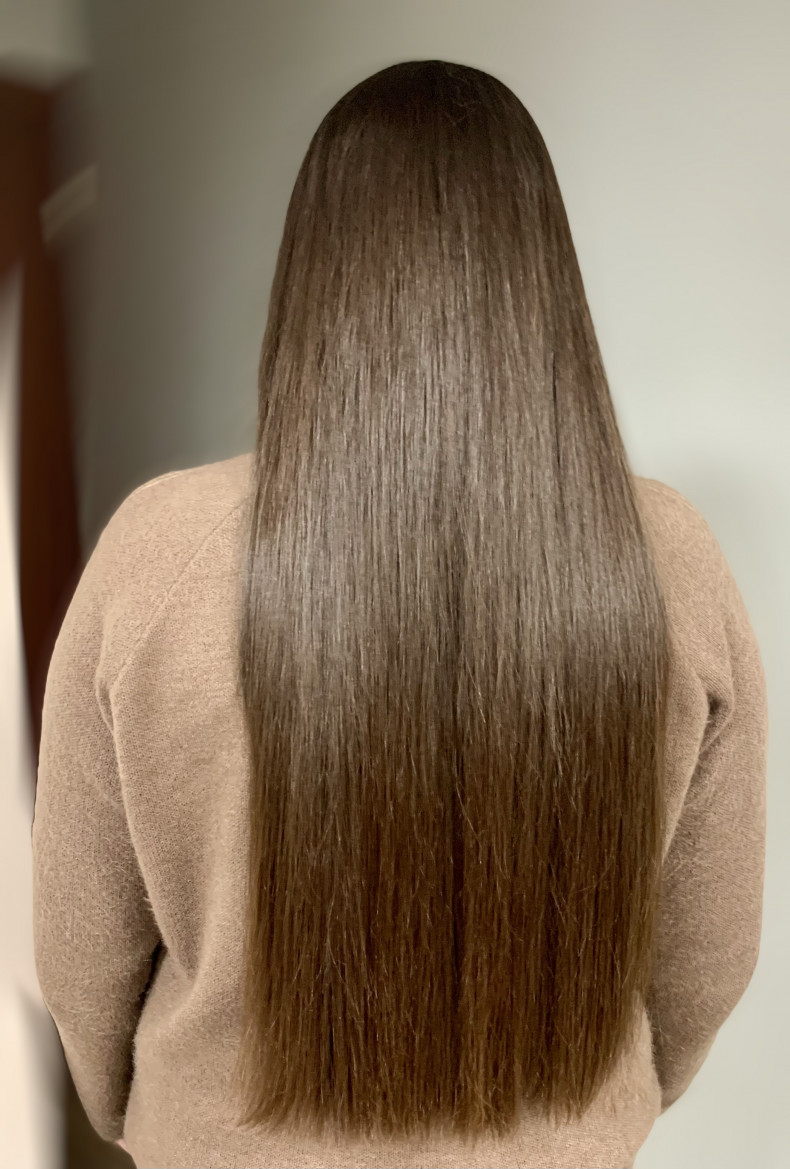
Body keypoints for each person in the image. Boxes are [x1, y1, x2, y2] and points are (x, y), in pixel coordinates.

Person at [31, 59, 768, 1169]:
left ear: (315, 270)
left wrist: (162, 1120)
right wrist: (582, 1118)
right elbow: (707, 958)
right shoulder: (672, 555)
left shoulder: (158, 551)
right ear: (540, 274)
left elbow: (81, 956)